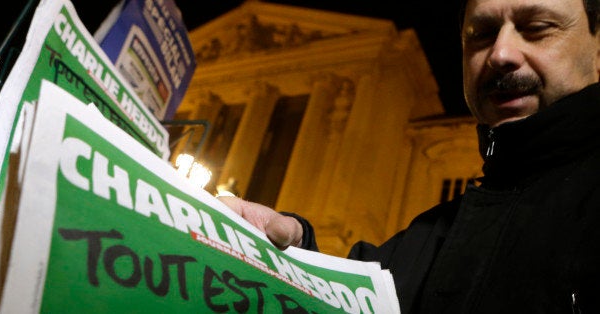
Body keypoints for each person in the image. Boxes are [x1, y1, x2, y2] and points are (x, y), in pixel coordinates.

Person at [219, 0, 600, 312]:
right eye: (480, 35)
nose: (500, 53)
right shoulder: (428, 237)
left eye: (537, 28)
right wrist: (289, 247)